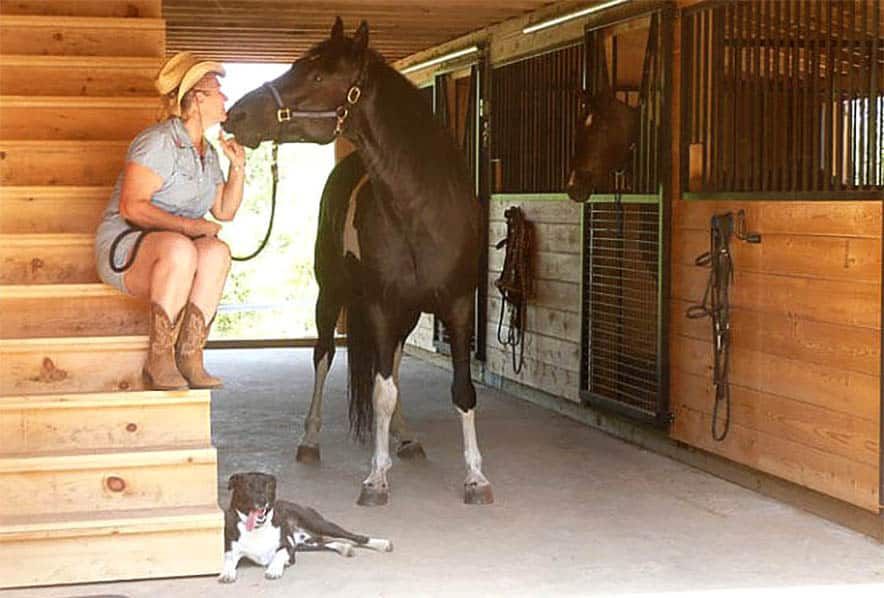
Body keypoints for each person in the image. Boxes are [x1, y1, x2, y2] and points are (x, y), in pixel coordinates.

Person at [94, 52, 246, 390]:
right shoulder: (158, 142)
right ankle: (159, 360)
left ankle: (190, 356)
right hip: (127, 249)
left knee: (217, 252)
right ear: (196, 97)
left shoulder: (206, 151)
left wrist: (238, 167)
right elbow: (132, 207)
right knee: (182, 248)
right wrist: (192, 228)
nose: (225, 97)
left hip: (175, 249)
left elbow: (224, 211)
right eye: (218, 90)